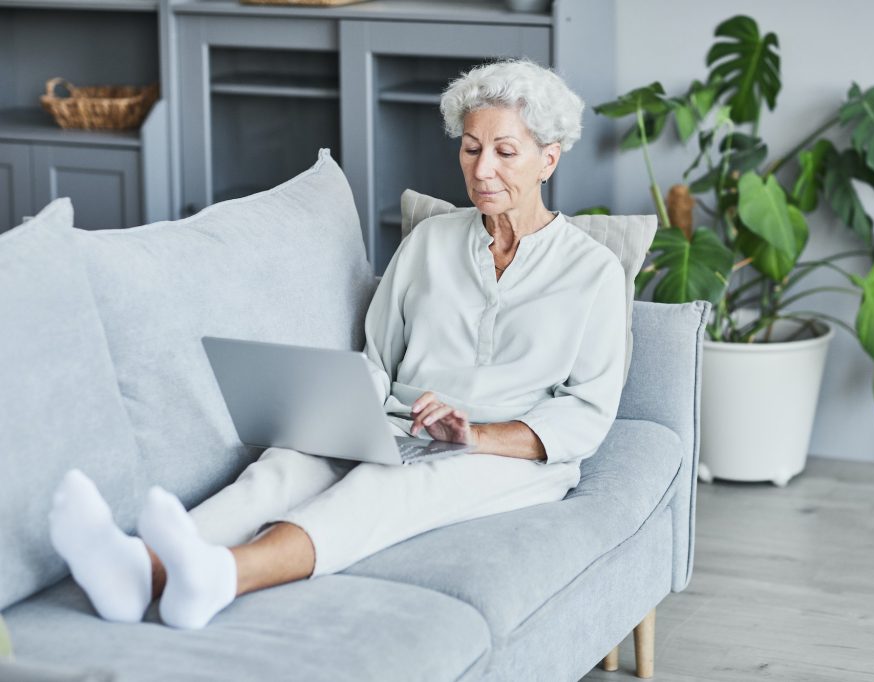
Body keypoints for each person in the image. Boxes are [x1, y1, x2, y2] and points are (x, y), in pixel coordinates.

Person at [48, 59, 627, 630]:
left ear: (549, 158)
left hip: (507, 456)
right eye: (471, 148)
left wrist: (475, 435)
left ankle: (222, 575)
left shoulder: (592, 271)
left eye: (506, 151)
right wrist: (341, 416)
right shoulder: (430, 241)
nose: (482, 170)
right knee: (285, 465)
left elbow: (587, 413)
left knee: (385, 487)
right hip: (401, 427)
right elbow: (378, 357)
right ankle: (138, 570)